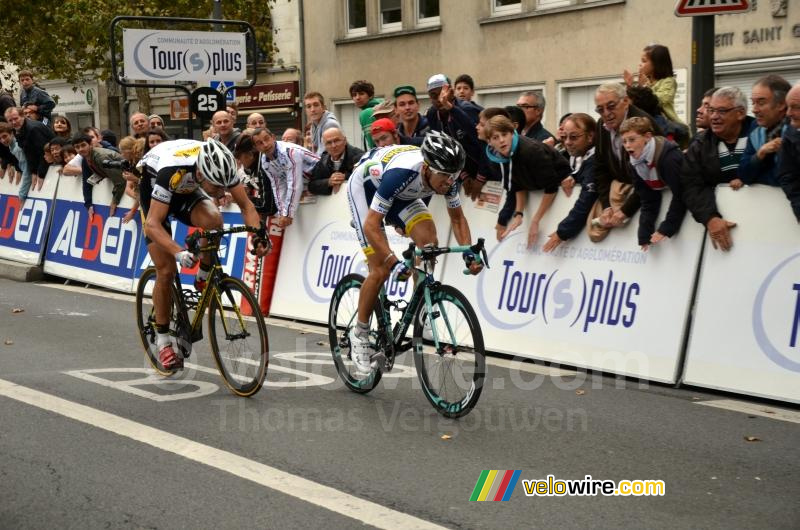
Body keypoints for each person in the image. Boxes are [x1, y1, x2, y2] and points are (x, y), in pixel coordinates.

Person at [345, 132, 484, 373]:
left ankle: (421, 311)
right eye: (445, 176)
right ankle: (360, 333)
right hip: (366, 189)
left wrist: (469, 252)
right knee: (380, 269)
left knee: (429, 242)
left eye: (454, 176)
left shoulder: (447, 178)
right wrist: (392, 260)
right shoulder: (403, 173)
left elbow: (458, 219)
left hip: (403, 196)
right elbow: (370, 225)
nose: (450, 182)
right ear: (427, 168)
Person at [137, 139, 270, 370]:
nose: (222, 192)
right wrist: (178, 252)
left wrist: (258, 235)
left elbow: (247, 206)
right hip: (155, 192)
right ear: (201, 173)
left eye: (224, 186)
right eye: (217, 187)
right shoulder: (171, 172)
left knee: (214, 220)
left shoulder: (222, 168)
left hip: (186, 189)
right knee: (166, 271)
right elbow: (152, 225)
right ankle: (163, 340)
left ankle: (203, 274)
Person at [681, 87, 756, 252]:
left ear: (740, 113)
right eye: (712, 110)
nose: (714, 116)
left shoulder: (760, 134)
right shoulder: (700, 144)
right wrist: (710, 219)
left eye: (721, 111)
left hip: (765, 228)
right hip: (722, 237)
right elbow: (691, 185)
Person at [590, 82, 663, 242]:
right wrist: (606, 206)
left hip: (646, 202)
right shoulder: (601, 125)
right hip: (619, 197)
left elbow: (650, 176)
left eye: (611, 106)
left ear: (626, 101)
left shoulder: (645, 124)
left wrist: (626, 210)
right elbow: (600, 167)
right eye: (600, 109)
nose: (606, 113)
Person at [484, 116, 568, 248]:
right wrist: (518, 214)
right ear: (489, 141)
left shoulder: (531, 150)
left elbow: (552, 187)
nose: (501, 140)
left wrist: (535, 220)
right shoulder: (496, 159)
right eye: (495, 137)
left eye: (504, 134)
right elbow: (518, 184)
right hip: (536, 185)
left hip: (561, 183)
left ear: (512, 133)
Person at [620, 117, 686, 250]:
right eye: (624, 141)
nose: (627, 145)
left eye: (632, 140)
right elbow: (647, 198)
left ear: (647, 137)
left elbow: (682, 194)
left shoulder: (669, 158)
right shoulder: (634, 163)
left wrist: (666, 227)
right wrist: (644, 234)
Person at [543, 113, 599, 252]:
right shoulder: (577, 155)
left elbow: (586, 200)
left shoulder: (597, 160)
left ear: (590, 136)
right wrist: (574, 175)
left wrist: (563, 231)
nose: (567, 142)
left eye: (573, 137)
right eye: (564, 137)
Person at [252, 127, 319, 228]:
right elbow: (278, 187)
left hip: (319, 175)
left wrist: (288, 214)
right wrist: (281, 213)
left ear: (273, 138)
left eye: (266, 139)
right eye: (260, 143)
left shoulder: (289, 152)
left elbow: (295, 184)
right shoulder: (264, 161)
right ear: (256, 148)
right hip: (306, 183)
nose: (265, 144)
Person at [739, 74, 791, 187]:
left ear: (781, 104)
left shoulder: (795, 128)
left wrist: (757, 178)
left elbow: (786, 177)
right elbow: (744, 174)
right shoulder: (755, 127)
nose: (754, 110)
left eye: (761, 103)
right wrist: (760, 153)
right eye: (753, 102)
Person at [624, 44, 687, 133]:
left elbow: (658, 100)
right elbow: (635, 103)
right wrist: (630, 86)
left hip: (665, 126)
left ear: (656, 64)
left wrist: (644, 88)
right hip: (646, 123)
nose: (640, 64)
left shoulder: (668, 81)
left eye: (644, 61)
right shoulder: (647, 83)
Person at [72, 133, 128, 218]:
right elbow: (86, 182)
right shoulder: (85, 158)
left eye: (83, 145)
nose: (81, 149)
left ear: (90, 144)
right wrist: (88, 204)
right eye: (77, 147)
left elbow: (120, 181)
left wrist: (114, 202)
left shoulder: (100, 157)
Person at [4, 106, 53, 194]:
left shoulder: (33, 129)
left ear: (23, 116)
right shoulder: (17, 129)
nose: (14, 122)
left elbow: (44, 153)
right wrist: (33, 171)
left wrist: (40, 174)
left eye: (16, 118)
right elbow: (28, 152)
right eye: (10, 121)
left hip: (51, 165)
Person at [308, 128, 364, 195]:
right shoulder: (323, 160)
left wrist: (345, 177)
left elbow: (366, 178)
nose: (333, 146)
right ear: (324, 146)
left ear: (345, 140)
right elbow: (312, 186)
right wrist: (328, 182)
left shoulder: (359, 157)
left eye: (337, 140)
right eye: (329, 143)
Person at [777, 83, 800, 222]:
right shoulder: (789, 137)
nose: (788, 113)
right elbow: (788, 177)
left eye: (796, 107)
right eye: (788, 106)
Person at [351, 80, 382, 150]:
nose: (357, 98)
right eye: (354, 95)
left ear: (370, 95)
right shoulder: (381, 105)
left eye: (361, 94)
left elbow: (373, 143)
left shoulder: (366, 113)